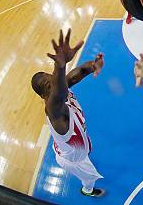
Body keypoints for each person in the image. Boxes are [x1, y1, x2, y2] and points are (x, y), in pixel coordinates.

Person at [30, 29, 105, 197]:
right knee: (89, 178)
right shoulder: (54, 110)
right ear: (43, 95)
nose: (53, 82)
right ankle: (87, 190)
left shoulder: (61, 88)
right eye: (48, 85)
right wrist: (60, 65)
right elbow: (59, 92)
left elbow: (77, 74)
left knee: (84, 149)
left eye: (51, 77)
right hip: (73, 160)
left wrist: (93, 66)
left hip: (72, 147)